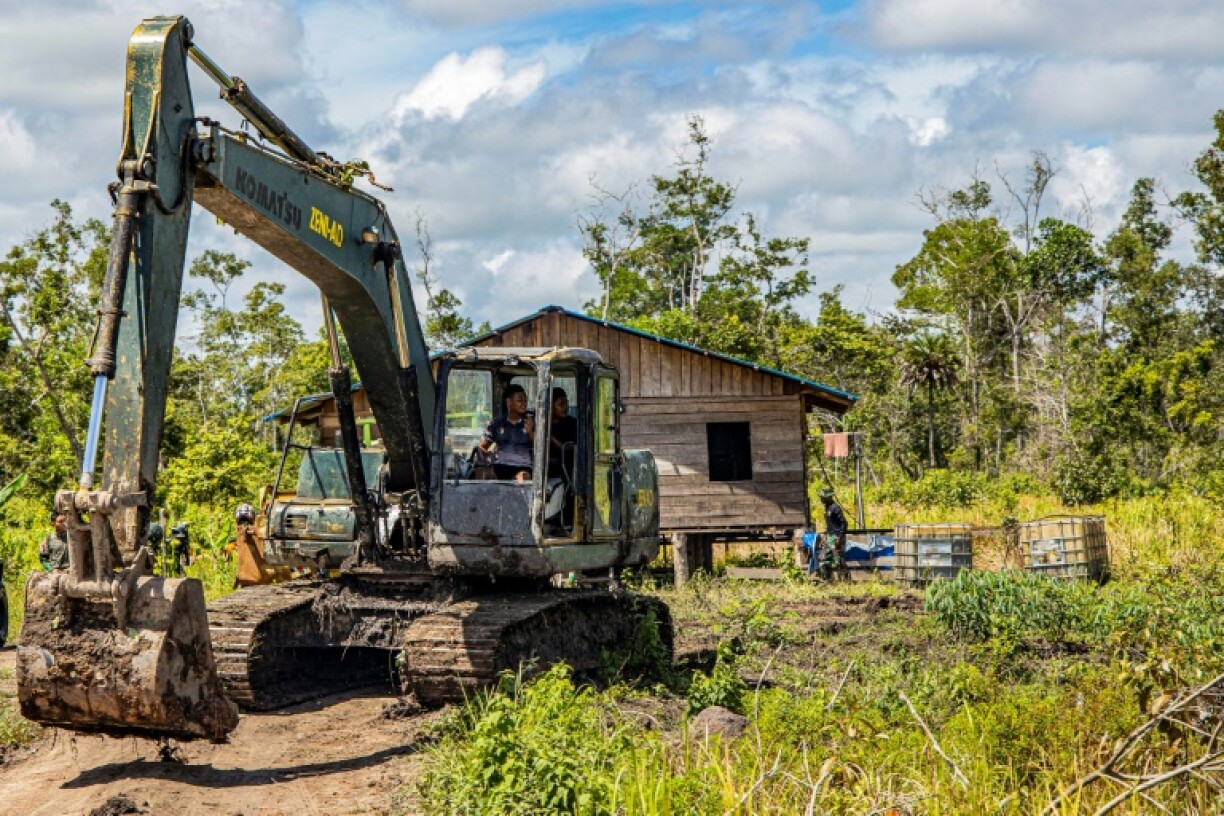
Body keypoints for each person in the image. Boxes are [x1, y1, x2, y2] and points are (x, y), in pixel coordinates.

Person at [480, 384, 534, 481]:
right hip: (500, 465)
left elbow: (541, 448)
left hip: (522, 467)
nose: (524, 404)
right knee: (481, 475)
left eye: (525, 401)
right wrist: (486, 462)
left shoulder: (531, 421)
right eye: (520, 401)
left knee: (522, 478)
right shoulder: (496, 423)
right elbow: (483, 446)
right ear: (509, 402)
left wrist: (530, 431)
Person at [817, 487, 849, 580]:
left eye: (823, 497)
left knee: (838, 560)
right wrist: (825, 536)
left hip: (836, 537)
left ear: (829, 497)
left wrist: (839, 537)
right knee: (823, 559)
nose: (821, 499)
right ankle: (827, 581)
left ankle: (845, 582)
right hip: (830, 537)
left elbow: (844, 523)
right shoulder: (827, 508)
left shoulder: (835, 508)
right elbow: (830, 524)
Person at [547, 387, 577, 481]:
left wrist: (549, 437)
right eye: (561, 404)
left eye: (566, 403)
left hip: (566, 468)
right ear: (550, 406)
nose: (565, 407)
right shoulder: (542, 423)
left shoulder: (572, 423)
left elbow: (570, 447)